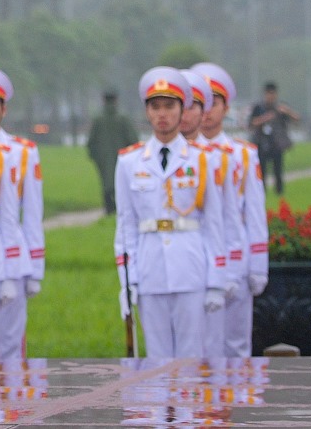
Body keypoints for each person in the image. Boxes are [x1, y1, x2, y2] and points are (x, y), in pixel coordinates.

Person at [113, 67, 226, 360]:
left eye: (169, 106)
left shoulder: (202, 160)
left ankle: (188, 408)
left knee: (190, 356)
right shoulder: (129, 162)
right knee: (157, 359)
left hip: (190, 266)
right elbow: (126, 225)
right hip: (150, 268)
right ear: (147, 112)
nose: (162, 114)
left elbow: (213, 224)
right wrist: (128, 280)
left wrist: (216, 281)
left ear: (182, 109)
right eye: (155, 107)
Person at [192, 63, 268, 358]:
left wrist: (258, 265)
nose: (208, 110)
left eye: (216, 102)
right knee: (198, 345)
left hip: (236, 256)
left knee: (235, 344)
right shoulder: (185, 154)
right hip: (196, 258)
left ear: (227, 107)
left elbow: (255, 212)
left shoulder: (242, 154)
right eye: (202, 102)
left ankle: (234, 404)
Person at [0, 66, 43, 361]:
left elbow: (32, 213)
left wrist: (35, 269)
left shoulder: (21, 152)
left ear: (4, 109)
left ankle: (12, 405)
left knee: (11, 344)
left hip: (12, 255)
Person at [87, 90, 136, 216]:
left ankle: (109, 209)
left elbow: (91, 141)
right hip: (123, 157)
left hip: (103, 158)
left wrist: (94, 156)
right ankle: (122, 209)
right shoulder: (123, 119)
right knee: (122, 183)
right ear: (116, 100)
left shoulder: (98, 120)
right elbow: (132, 139)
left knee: (106, 182)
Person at [247, 82, 299, 194]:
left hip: (277, 143)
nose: (271, 96)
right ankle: (262, 192)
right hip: (262, 142)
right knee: (262, 171)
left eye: (273, 94)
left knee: (278, 171)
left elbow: (297, 119)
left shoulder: (280, 108)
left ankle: (279, 193)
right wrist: (265, 118)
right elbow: (251, 123)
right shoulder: (259, 107)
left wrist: (287, 111)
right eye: (268, 94)